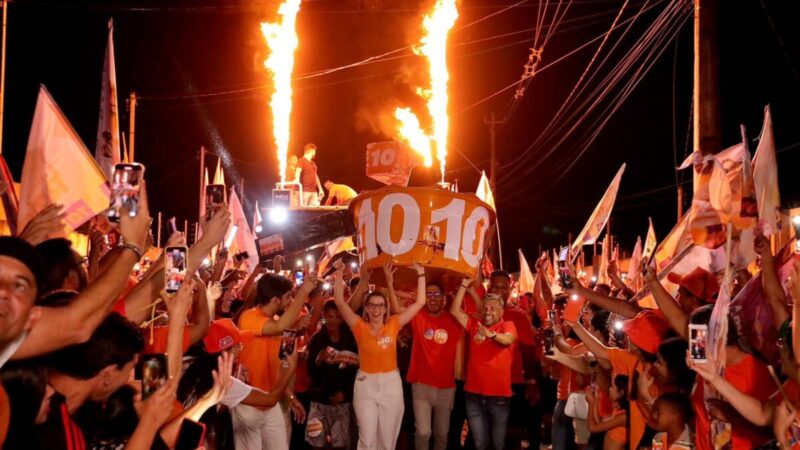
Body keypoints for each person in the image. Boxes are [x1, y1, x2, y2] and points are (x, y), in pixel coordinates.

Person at [333, 261, 427, 450]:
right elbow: (339, 302)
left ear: (385, 309)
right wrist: (339, 274)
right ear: (366, 308)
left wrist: (421, 274)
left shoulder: (394, 323)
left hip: (390, 385)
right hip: (365, 385)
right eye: (372, 306)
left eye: (380, 306)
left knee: (387, 439)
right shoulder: (358, 325)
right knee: (367, 440)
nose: (376, 309)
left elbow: (420, 302)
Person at [384, 263, 462, 450]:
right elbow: (396, 310)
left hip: (446, 388)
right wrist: (389, 282)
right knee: (423, 432)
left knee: (442, 434)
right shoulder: (418, 316)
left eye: (437, 295)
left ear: (444, 298)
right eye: (429, 294)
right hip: (421, 385)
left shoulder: (453, 319)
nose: (433, 298)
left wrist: (464, 284)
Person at [235, 272, 316, 450]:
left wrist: (290, 396)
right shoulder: (249, 318)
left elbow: (278, 362)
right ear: (275, 300)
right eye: (288, 297)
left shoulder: (276, 321)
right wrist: (303, 293)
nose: (290, 301)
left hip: (271, 403)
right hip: (249, 403)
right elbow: (280, 328)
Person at [451, 280, 518, 450]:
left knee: (497, 444)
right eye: (485, 308)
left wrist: (491, 334)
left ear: (502, 311)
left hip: (498, 397)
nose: (488, 312)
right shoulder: (474, 326)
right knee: (480, 444)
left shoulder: (507, 326)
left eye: (493, 308)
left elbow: (508, 339)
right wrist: (464, 285)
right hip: (473, 395)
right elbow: (454, 310)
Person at [306, 300, 359, 450]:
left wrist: (345, 393)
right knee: (315, 443)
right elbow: (310, 371)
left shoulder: (351, 339)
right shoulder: (317, 340)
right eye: (330, 316)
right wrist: (318, 360)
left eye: (337, 317)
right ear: (324, 316)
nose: (333, 321)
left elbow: (356, 370)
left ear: (342, 318)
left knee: (341, 445)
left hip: (342, 402)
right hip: (319, 402)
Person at [586, 374, 628, 450]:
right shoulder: (618, 410)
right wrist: (595, 401)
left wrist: (591, 404)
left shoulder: (623, 417)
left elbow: (592, 428)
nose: (609, 389)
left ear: (620, 393)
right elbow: (599, 424)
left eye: (613, 387)